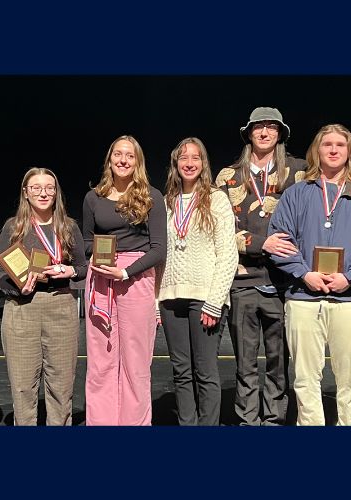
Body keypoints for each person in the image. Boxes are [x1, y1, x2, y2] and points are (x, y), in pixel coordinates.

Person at [268, 123, 351, 426]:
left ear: (350, 152)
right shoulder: (296, 193)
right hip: (303, 298)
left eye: (340, 145)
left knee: (350, 381)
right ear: (316, 151)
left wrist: (349, 276)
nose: (334, 150)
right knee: (305, 379)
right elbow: (279, 241)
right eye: (327, 144)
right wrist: (304, 273)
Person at [214, 106, 306, 426]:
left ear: (280, 134)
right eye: (258, 127)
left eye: (271, 127)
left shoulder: (298, 171)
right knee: (246, 361)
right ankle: (247, 421)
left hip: (285, 281)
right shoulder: (228, 176)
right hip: (243, 281)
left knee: (280, 361)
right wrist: (260, 243)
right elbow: (220, 229)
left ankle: (275, 420)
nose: (264, 132)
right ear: (248, 133)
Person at [82, 134, 166, 425]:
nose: (123, 160)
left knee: (135, 361)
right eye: (118, 154)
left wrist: (126, 271)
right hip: (101, 278)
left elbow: (159, 249)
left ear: (137, 162)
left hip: (136, 279)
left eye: (130, 155)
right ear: (110, 159)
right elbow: (86, 241)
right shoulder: (93, 197)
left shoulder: (152, 196)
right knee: (101, 358)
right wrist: (99, 259)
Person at [0, 167, 87, 425]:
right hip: (22, 308)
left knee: (61, 386)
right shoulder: (14, 227)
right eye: (36, 188)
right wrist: (18, 288)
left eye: (49, 188)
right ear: (26, 192)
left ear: (56, 193)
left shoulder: (68, 227)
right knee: (23, 386)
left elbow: (83, 267)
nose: (43, 193)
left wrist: (69, 270)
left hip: (61, 305)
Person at [158, 137, 238, 425]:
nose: (189, 163)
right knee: (181, 371)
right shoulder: (166, 203)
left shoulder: (216, 199)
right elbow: (160, 255)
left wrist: (215, 301)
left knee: (205, 371)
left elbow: (228, 254)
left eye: (195, 157)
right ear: (175, 163)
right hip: (170, 297)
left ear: (204, 163)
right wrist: (156, 300)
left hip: (205, 298)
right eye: (183, 158)